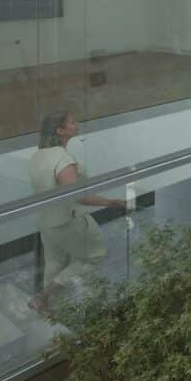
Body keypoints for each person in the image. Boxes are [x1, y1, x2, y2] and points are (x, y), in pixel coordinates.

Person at [28, 110, 124, 315]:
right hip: (67, 220)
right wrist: (110, 202)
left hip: (45, 221)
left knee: (55, 261)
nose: (76, 124)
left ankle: (49, 308)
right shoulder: (63, 158)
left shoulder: (38, 155)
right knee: (93, 255)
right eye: (72, 122)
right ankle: (43, 296)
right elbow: (78, 196)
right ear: (60, 130)